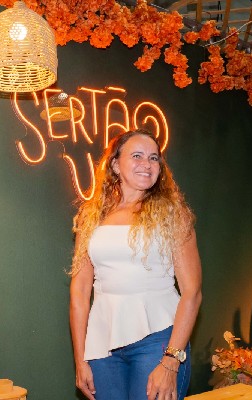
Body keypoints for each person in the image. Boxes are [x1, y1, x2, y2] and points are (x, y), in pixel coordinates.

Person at [69, 129, 202, 400]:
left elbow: (192, 292)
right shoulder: (90, 216)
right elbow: (79, 292)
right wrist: (80, 359)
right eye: (137, 156)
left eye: (153, 158)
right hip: (102, 346)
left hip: (158, 341)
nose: (147, 164)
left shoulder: (173, 214)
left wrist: (171, 362)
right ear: (116, 165)